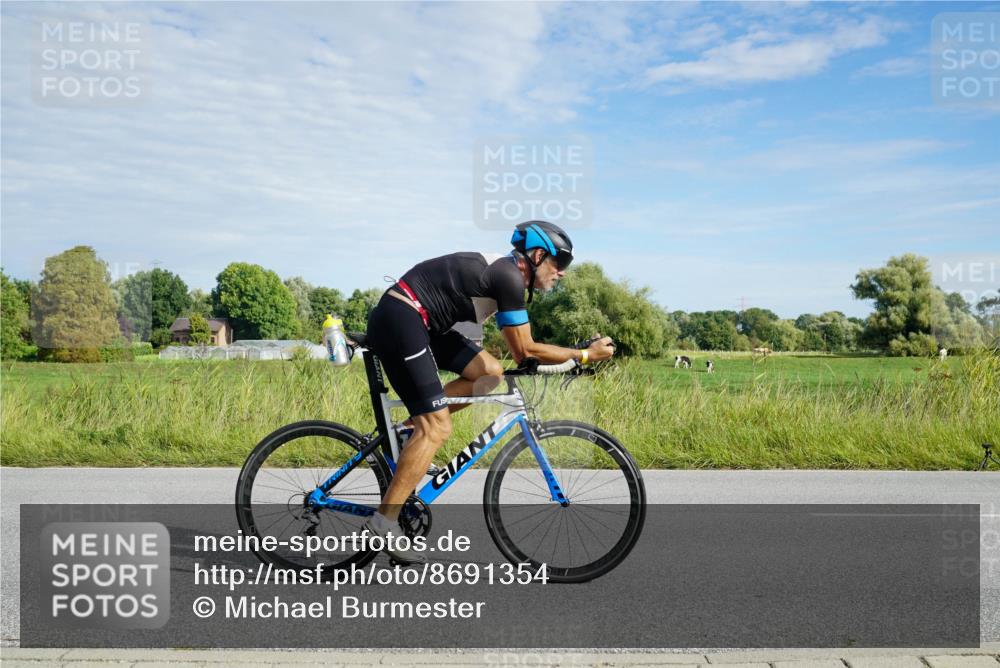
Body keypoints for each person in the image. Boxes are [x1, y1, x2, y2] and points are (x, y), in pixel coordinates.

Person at [362, 220, 616, 563]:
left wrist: (569, 356)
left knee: (490, 372)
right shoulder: (508, 276)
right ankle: (383, 522)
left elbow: (516, 353)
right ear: (538, 255)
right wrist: (584, 354)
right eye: (561, 263)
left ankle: (409, 430)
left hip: (425, 323)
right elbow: (524, 349)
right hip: (401, 318)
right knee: (436, 427)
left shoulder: (509, 276)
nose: (563, 274)